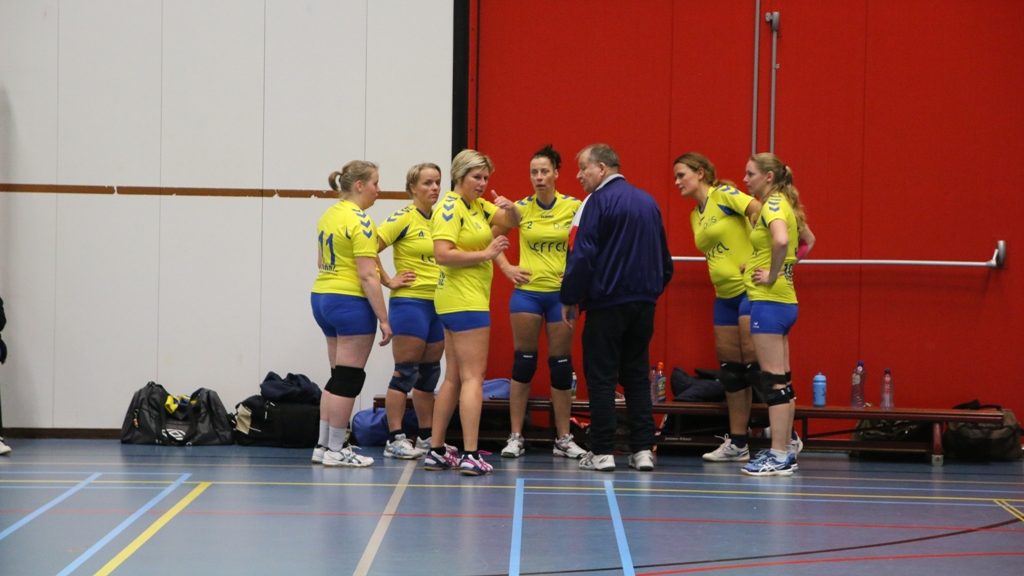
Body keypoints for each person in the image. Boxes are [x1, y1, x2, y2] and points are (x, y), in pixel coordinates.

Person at [560, 143, 673, 472]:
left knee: (601, 377)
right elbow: (665, 261)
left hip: (606, 303)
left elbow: (582, 254)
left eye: (583, 168)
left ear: (602, 168)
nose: (579, 175)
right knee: (637, 376)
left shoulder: (597, 202)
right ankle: (642, 450)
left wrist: (570, 296)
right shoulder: (648, 201)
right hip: (643, 304)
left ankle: (602, 451)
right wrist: (649, 292)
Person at [422, 149, 520, 476]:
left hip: (460, 300)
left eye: (485, 177)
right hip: (463, 300)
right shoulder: (449, 208)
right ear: (459, 176)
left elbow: (511, 222)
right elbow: (442, 254)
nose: (482, 183)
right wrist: (486, 253)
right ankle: (470, 453)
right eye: (476, 177)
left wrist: (511, 208)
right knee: (473, 378)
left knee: (453, 377)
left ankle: (437, 450)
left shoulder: (477, 205)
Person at [495, 145, 586, 460]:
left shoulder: (574, 206)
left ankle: (563, 438)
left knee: (561, 366)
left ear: (556, 173)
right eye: (534, 172)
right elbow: (489, 237)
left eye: (545, 171)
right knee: (524, 362)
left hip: (561, 297)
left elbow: (590, 244)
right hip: (528, 295)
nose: (539, 177)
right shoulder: (519, 208)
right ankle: (515, 436)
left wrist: (575, 275)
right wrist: (507, 268)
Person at [673, 152, 763, 463]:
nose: (677, 182)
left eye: (682, 175)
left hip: (750, 290)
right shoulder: (694, 215)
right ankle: (738, 443)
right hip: (724, 296)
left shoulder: (723, 195)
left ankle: (786, 437)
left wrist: (759, 257)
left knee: (757, 366)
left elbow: (759, 210)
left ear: (700, 173)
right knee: (731, 372)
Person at [310, 161, 392, 467]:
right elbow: (367, 275)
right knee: (348, 379)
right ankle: (337, 449)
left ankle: (323, 446)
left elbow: (321, 261)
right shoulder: (361, 220)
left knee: (338, 377)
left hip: (322, 296)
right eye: (375, 183)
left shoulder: (329, 214)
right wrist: (384, 318)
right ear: (359, 185)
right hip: (349, 302)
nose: (378, 190)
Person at [740, 152, 815, 476]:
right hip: (784, 301)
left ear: (768, 177)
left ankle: (779, 454)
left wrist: (772, 273)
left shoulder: (772, 205)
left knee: (772, 382)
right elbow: (808, 241)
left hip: (769, 302)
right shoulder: (786, 204)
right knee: (782, 381)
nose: (745, 180)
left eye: (750, 174)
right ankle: (785, 452)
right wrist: (780, 268)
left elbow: (782, 240)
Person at [372, 163, 449, 460]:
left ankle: (427, 437)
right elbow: (368, 248)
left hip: (438, 303)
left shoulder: (441, 219)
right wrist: (388, 280)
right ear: (412, 188)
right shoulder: (403, 217)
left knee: (429, 376)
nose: (434, 188)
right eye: (427, 183)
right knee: (405, 373)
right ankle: (395, 438)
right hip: (410, 303)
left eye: (437, 182)